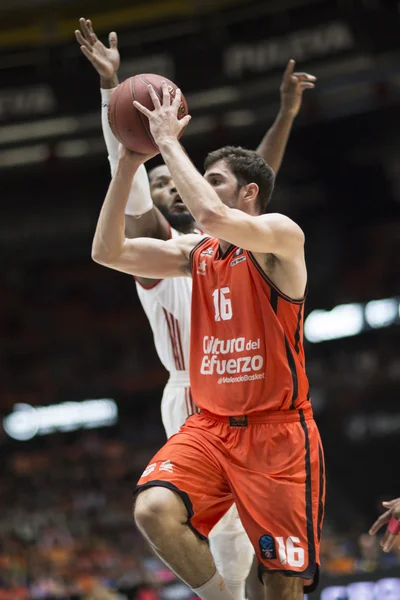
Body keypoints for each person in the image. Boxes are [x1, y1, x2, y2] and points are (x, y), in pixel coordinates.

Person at [76, 17, 317, 600]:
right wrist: (124, 121)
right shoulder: (183, 250)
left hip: (271, 418)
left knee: (271, 569)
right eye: (166, 184)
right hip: (197, 402)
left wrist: (281, 116)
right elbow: (120, 229)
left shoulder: (262, 231)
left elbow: (245, 188)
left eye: (180, 180)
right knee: (196, 534)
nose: (172, 187)